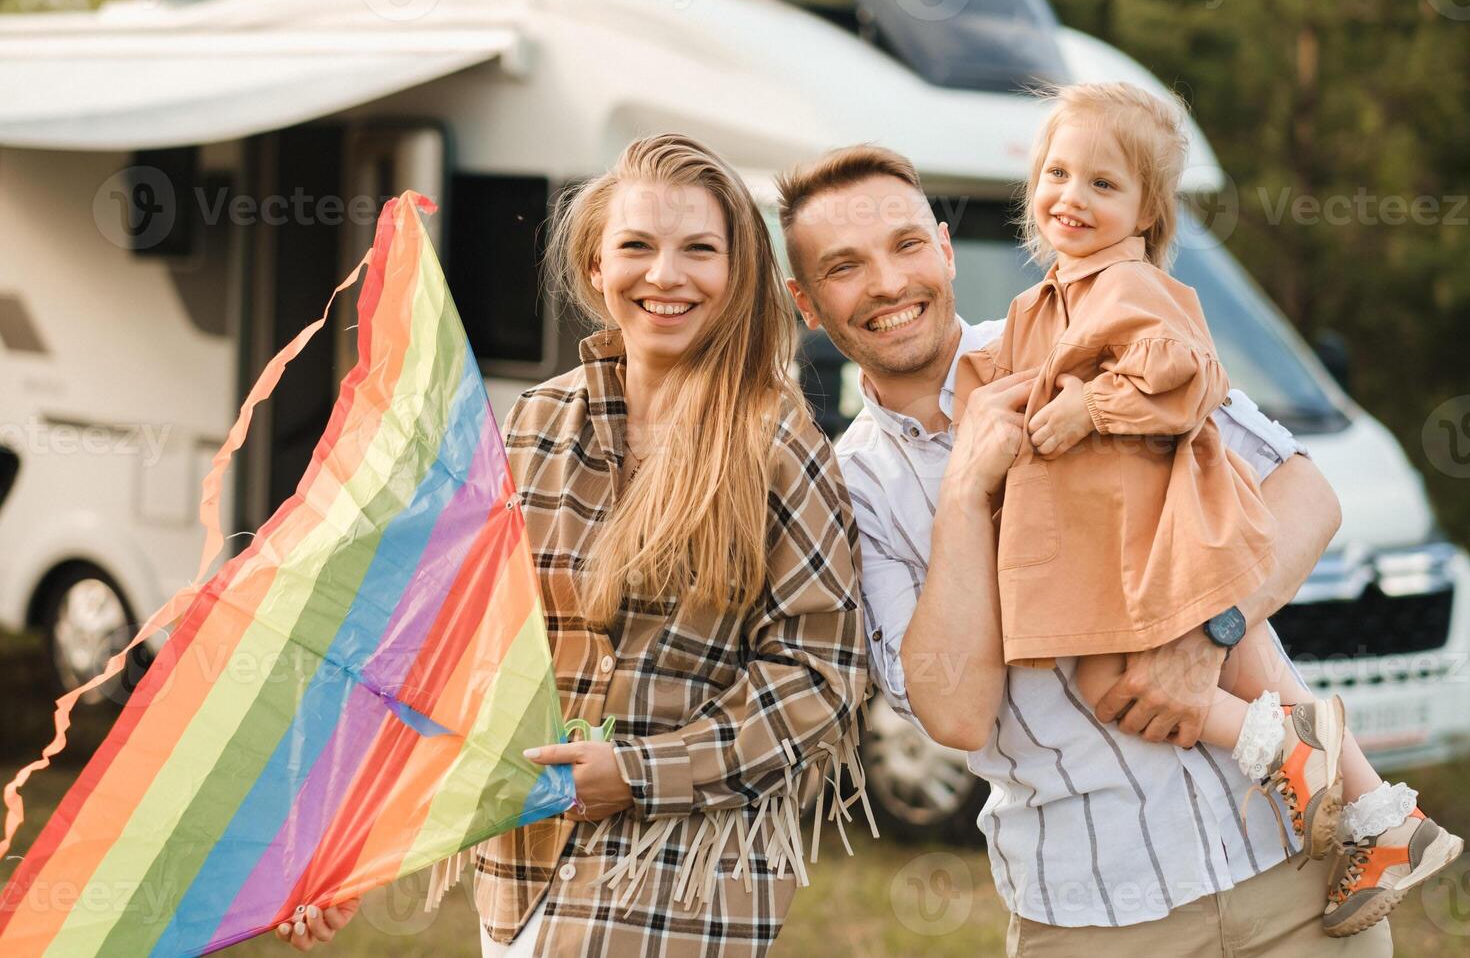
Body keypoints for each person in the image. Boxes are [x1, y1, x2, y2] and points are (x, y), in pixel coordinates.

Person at [775, 141, 1393, 955]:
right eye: (846, 266)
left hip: (1295, 869)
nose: (889, 283)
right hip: (1095, 916)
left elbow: (1305, 494)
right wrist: (963, 491)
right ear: (807, 303)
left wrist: (1206, 635)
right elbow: (956, 713)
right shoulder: (845, 491)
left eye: (907, 245)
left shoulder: (1082, 329)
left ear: (946, 249)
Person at [274, 133, 869, 955]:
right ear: (596, 267)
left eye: (700, 249)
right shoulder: (537, 422)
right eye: (636, 246)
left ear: (738, 276)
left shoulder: (776, 444)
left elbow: (820, 675)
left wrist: (636, 772)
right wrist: (353, 850)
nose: (665, 275)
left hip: (680, 874)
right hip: (518, 871)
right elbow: (463, 652)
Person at [954, 82, 1461, 935]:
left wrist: (1093, 407)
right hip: (1128, 535)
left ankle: (1287, 750)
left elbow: (1186, 370)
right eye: (1056, 173)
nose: (1070, 197)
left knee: (1110, 676)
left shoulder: (1128, 284)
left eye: (1103, 185)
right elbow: (1007, 380)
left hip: (1158, 528)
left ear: (1148, 214)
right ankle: (1375, 814)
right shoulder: (1047, 300)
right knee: (1177, 662)